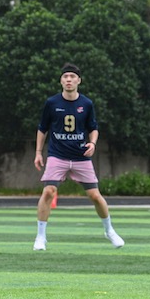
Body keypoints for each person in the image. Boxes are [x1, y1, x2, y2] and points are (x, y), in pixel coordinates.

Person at [33, 63, 124, 251]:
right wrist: (38, 153)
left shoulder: (87, 104)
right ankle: (41, 237)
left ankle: (109, 231)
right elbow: (42, 129)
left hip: (81, 157)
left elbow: (93, 129)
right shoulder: (52, 103)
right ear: (61, 80)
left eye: (72, 77)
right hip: (57, 155)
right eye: (65, 76)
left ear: (78, 81)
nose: (69, 80)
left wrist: (93, 143)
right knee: (49, 191)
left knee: (95, 196)